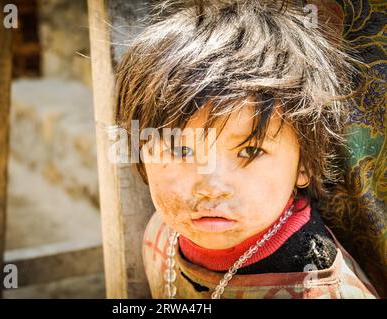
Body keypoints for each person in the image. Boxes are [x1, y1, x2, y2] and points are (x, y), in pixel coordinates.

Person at [115, 0, 379, 298]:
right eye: (181, 150)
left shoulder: (324, 292)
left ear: (304, 163)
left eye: (250, 151)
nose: (211, 188)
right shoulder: (160, 234)